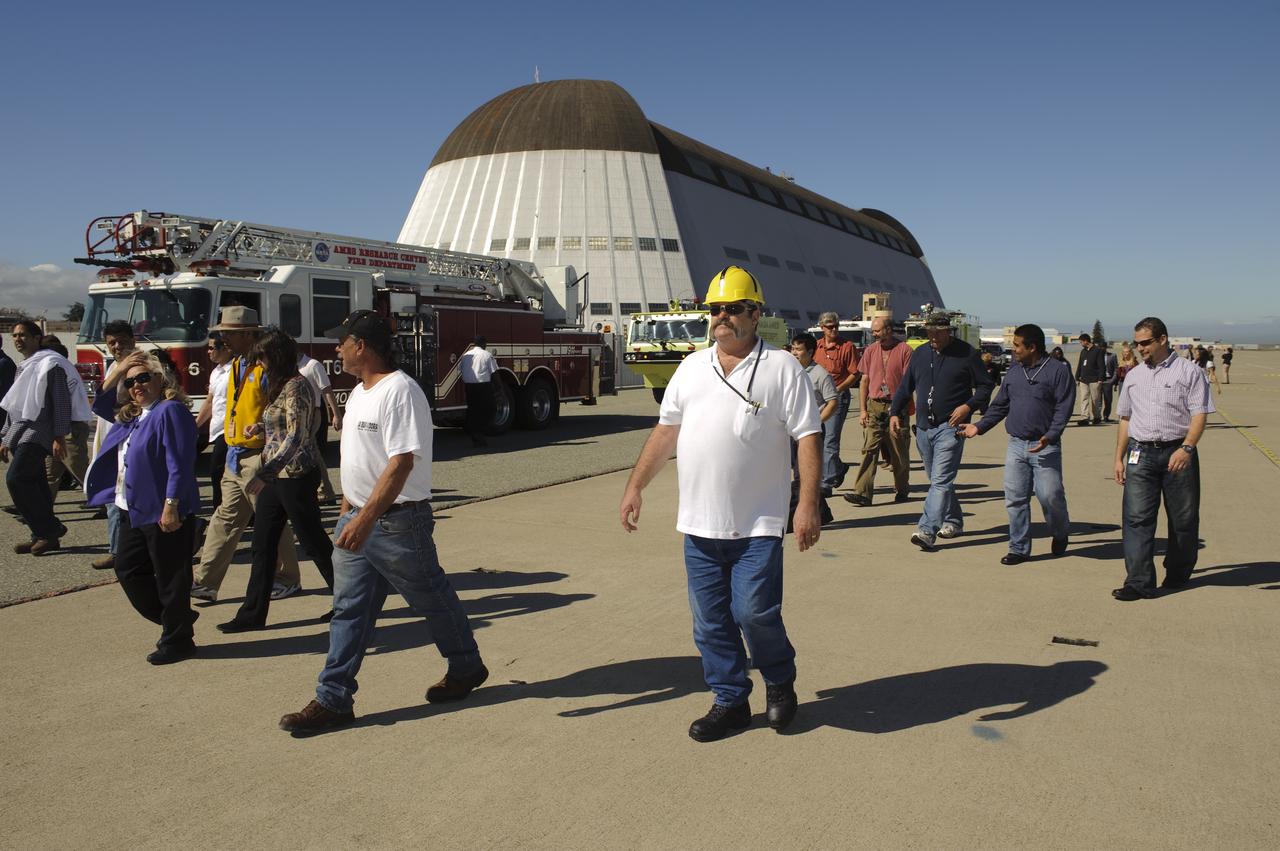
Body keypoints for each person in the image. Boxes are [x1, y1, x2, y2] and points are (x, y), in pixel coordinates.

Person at [619, 266, 822, 742]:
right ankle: (730, 700)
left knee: (753, 612)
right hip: (699, 524)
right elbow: (666, 431)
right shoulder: (691, 367)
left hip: (759, 522)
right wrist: (636, 486)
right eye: (715, 309)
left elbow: (808, 436)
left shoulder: (781, 368)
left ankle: (779, 681)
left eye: (732, 308)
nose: (722, 317)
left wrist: (806, 502)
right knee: (710, 622)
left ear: (755, 313)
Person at [279, 310, 488, 735]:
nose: (337, 348)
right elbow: (360, 459)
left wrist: (366, 518)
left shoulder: (401, 391)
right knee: (348, 612)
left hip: (396, 523)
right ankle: (333, 699)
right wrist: (346, 508)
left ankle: (466, 666)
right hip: (359, 517)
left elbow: (401, 463)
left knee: (431, 599)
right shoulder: (358, 392)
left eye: (343, 341)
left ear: (363, 346)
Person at [84, 351, 201, 664]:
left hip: (162, 510)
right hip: (130, 509)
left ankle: (178, 641)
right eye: (130, 381)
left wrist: (171, 505)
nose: (136, 385)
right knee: (129, 570)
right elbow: (99, 403)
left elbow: (180, 463)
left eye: (143, 377)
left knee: (170, 577)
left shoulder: (169, 410)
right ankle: (177, 621)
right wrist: (120, 367)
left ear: (160, 378)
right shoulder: (133, 415)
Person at [218, 329, 335, 632]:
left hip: (294, 476)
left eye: (264, 357)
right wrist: (260, 428)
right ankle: (252, 615)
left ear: (278, 356)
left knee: (313, 542)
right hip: (275, 476)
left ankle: (350, 601)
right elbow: (282, 427)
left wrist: (266, 473)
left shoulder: (297, 386)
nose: (261, 363)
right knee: (262, 544)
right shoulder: (280, 386)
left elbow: (297, 435)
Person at [191, 307, 302, 602]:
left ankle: (286, 578)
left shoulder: (268, 367)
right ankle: (205, 581)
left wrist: (266, 438)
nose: (222, 338)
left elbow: (285, 411)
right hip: (233, 453)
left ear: (249, 334)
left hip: (258, 456)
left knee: (271, 521)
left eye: (229, 333)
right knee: (225, 518)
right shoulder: (237, 364)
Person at [1112, 318, 1215, 601]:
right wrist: (1118, 458)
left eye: (1145, 342)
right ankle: (1138, 582)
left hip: (1177, 453)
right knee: (1136, 519)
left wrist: (1188, 448)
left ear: (1162, 340)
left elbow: (1199, 413)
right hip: (1140, 453)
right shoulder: (1134, 376)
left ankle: (1178, 573)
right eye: (1137, 343)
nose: (1140, 348)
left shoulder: (1189, 372)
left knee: (1183, 518)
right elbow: (1125, 419)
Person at [959, 324, 1075, 564]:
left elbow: (1064, 408)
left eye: (1017, 346)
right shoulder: (1014, 372)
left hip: (1046, 446)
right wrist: (978, 427)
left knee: (1050, 495)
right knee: (1015, 498)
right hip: (1016, 445)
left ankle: (1060, 531)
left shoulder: (1058, 371)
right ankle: (1019, 548)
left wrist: (1051, 435)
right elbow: (1000, 405)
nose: (1014, 350)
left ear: (1032, 347)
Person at [890, 310, 994, 551]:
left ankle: (927, 530)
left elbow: (985, 386)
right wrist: (895, 411)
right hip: (925, 428)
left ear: (949, 331)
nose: (933, 337)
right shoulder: (920, 353)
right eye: (930, 333)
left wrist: (968, 406)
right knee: (940, 480)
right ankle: (954, 521)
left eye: (938, 333)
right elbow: (906, 387)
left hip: (951, 428)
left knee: (940, 480)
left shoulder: (967, 353)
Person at [1, 320, 71, 555]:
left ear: (36, 338)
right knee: (37, 484)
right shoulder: (24, 366)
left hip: (40, 433)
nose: (18, 339)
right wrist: (6, 437)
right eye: (15, 336)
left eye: (23, 335)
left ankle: (50, 529)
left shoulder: (51, 364)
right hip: (22, 432)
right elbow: (16, 408)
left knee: (16, 478)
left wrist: (59, 435)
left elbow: (60, 402)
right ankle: (41, 534)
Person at [847, 315, 912, 506]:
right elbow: (864, 381)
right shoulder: (870, 351)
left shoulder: (905, 351)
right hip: (875, 405)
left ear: (889, 330)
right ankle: (862, 493)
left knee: (899, 454)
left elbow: (908, 383)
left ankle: (902, 489)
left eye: (877, 331)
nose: (874, 334)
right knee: (869, 450)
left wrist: (899, 407)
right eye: (873, 331)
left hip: (897, 406)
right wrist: (863, 411)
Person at [39, 335, 94, 497]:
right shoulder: (64, 368)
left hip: (70, 429)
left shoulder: (58, 370)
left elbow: (61, 404)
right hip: (60, 429)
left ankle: (108, 503)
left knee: (80, 470)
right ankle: (40, 510)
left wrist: (59, 434)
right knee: (50, 474)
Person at [811, 312, 859, 495]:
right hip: (818, 398)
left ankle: (827, 483)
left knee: (831, 439)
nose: (834, 329)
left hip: (838, 397)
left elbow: (855, 373)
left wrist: (839, 389)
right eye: (830, 326)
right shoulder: (816, 347)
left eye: (836, 326)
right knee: (819, 438)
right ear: (822, 328)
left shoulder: (847, 347)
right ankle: (837, 467)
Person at [194, 332, 232, 513]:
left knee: (217, 470)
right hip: (216, 429)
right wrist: (194, 426)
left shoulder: (235, 370)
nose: (208, 352)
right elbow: (209, 402)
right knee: (221, 473)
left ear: (224, 348)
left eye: (211, 348)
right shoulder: (216, 372)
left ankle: (220, 512)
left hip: (230, 429)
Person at [788, 333, 837, 474]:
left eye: (798, 349)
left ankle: (809, 494)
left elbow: (832, 402)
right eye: (793, 349)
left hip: (810, 429)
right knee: (793, 465)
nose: (794, 353)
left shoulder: (821, 374)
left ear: (810, 352)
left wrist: (817, 422)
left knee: (806, 469)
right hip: (790, 427)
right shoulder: (790, 370)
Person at [297, 351, 342, 503]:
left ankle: (324, 489)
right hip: (297, 414)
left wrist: (336, 414)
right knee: (311, 451)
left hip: (312, 413)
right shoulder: (290, 365)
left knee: (312, 450)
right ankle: (323, 489)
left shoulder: (313, 365)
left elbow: (327, 391)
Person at [459, 336, 497, 446]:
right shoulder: (486, 355)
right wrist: (500, 388)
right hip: (483, 386)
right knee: (489, 409)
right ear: (484, 344)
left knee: (473, 411)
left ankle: (475, 434)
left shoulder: (465, 355)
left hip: (469, 387)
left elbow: (461, 370)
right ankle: (480, 434)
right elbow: (494, 373)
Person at [1074, 333, 1104, 425]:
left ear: (1086, 341)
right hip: (1083, 379)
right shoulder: (1083, 351)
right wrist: (1077, 376)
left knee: (1095, 399)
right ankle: (1085, 418)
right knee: (1084, 398)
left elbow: (1101, 365)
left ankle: (1097, 417)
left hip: (1094, 379)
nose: (1080, 344)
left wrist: (1101, 378)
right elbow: (1080, 364)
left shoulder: (1097, 351)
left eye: (1081, 342)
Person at [1098, 342, 1119, 422]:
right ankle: (1098, 417)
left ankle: (1106, 416)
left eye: (1103, 347)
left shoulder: (1112, 356)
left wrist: (1112, 380)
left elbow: (1116, 369)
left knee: (1108, 400)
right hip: (1098, 381)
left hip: (1108, 380)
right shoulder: (1096, 357)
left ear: (1105, 347)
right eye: (1100, 348)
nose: (1101, 349)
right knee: (1098, 400)